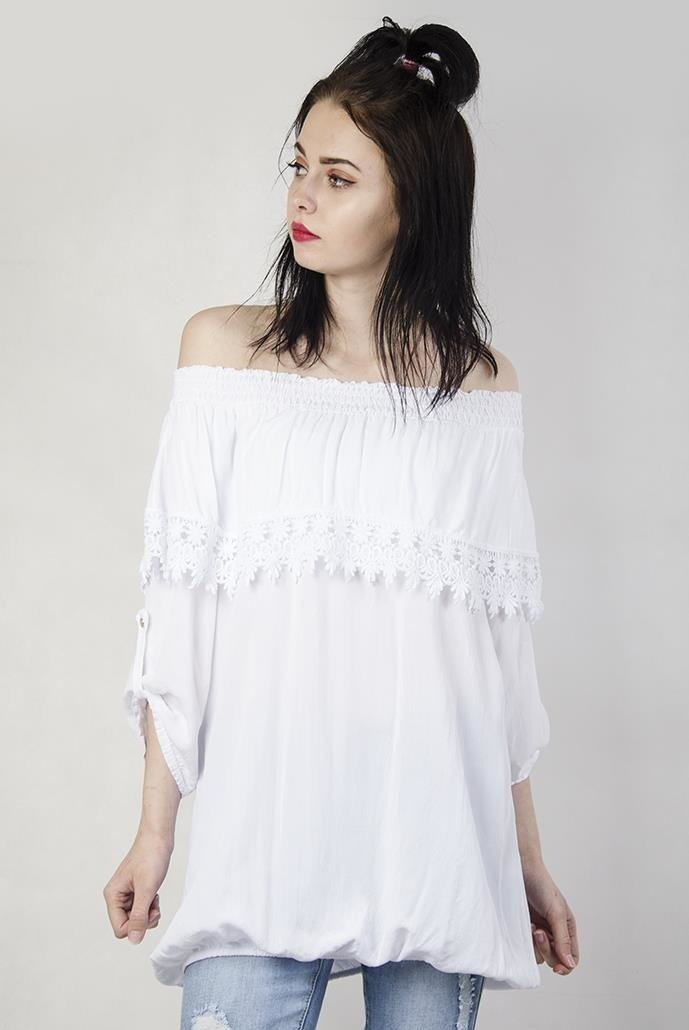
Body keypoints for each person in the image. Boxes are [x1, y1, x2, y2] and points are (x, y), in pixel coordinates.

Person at [103, 15, 580, 1030]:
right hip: (265, 842)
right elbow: (179, 611)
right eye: (299, 166)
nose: (302, 198)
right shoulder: (223, 358)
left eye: (338, 176)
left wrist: (527, 858)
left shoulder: (481, 389)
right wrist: (155, 834)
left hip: (441, 847)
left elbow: (496, 654)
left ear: (414, 205)